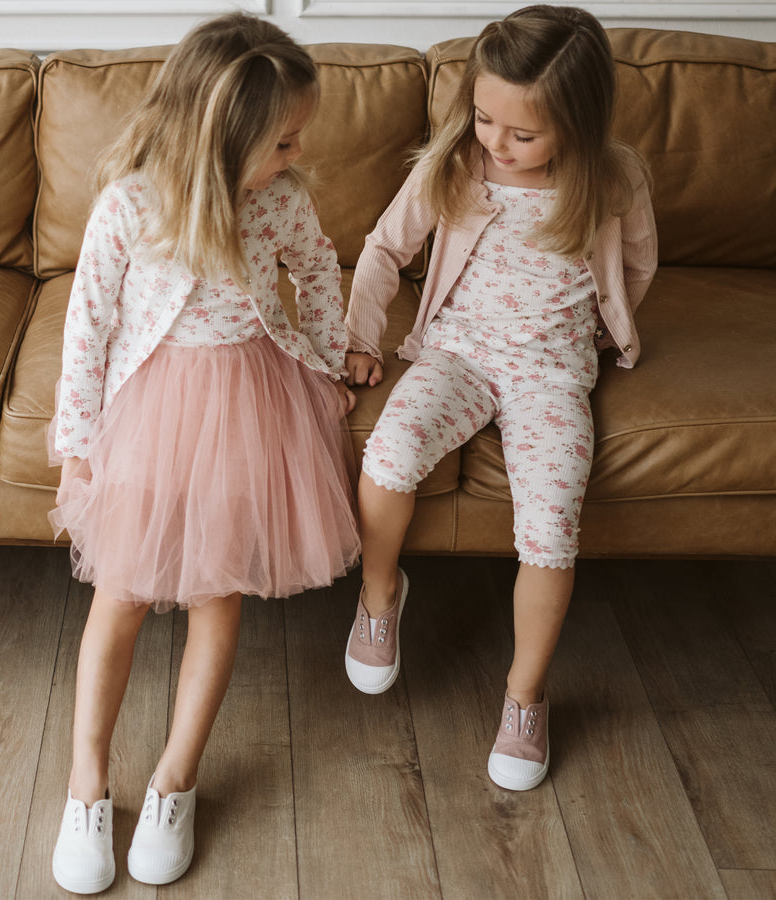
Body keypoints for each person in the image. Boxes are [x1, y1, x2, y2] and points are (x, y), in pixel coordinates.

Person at [48, 12, 360, 893]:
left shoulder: (281, 201)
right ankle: (87, 783)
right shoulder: (131, 204)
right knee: (122, 595)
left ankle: (175, 779)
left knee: (218, 598)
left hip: (251, 401)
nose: (296, 155)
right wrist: (77, 441)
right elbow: (90, 324)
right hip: (150, 408)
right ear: (220, 139)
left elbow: (319, 270)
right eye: (283, 141)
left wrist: (333, 359)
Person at [342, 4, 656, 791]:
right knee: (389, 454)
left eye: (524, 134)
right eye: (486, 118)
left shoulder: (613, 178)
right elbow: (385, 249)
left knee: (550, 529)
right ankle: (381, 593)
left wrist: (605, 326)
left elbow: (640, 267)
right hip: (456, 356)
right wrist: (356, 337)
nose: (497, 143)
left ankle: (524, 696)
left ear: (577, 125)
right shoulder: (455, 164)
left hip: (553, 375)